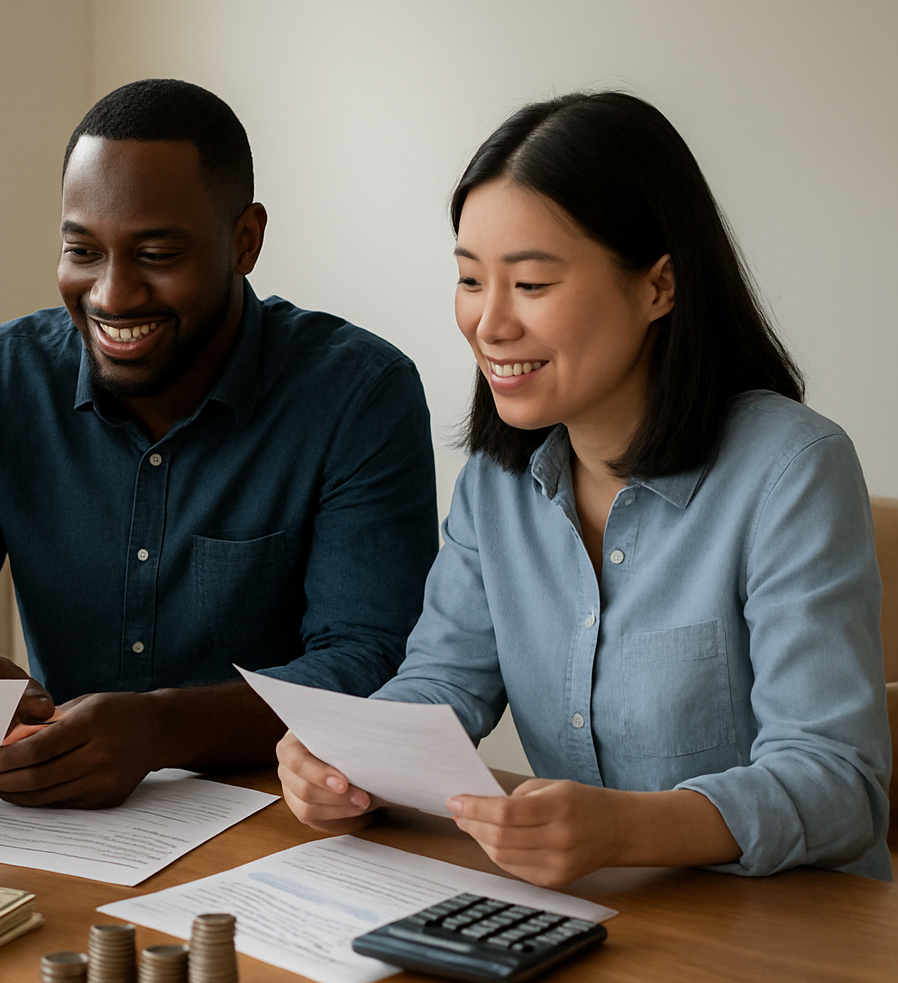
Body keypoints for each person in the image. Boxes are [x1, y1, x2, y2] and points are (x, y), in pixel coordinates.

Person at [278, 91, 891, 886]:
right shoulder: (496, 484)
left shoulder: (793, 470)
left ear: (659, 286)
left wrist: (625, 829)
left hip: (788, 928)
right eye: (470, 279)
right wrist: (348, 756)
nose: (489, 324)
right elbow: (443, 681)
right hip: (595, 914)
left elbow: (838, 782)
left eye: (532, 284)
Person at [0, 79, 439, 809]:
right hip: (55, 817)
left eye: (156, 254)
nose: (111, 294)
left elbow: (372, 659)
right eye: (82, 250)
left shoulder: (359, 394)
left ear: (245, 241)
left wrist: (162, 730)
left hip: (288, 813)